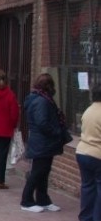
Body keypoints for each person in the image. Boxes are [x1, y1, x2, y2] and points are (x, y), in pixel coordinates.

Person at [21, 73, 70, 213]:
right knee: (37, 172)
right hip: (42, 142)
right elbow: (42, 123)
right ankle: (27, 201)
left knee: (43, 172)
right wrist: (56, 131)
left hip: (44, 142)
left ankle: (43, 200)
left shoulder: (41, 99)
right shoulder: (42, 101)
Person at [76, 82, 101, 221]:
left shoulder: (88, 110)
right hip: (98, 153)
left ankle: (86, 217)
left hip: (83, 151)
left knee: (87, 185)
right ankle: (98, 220)